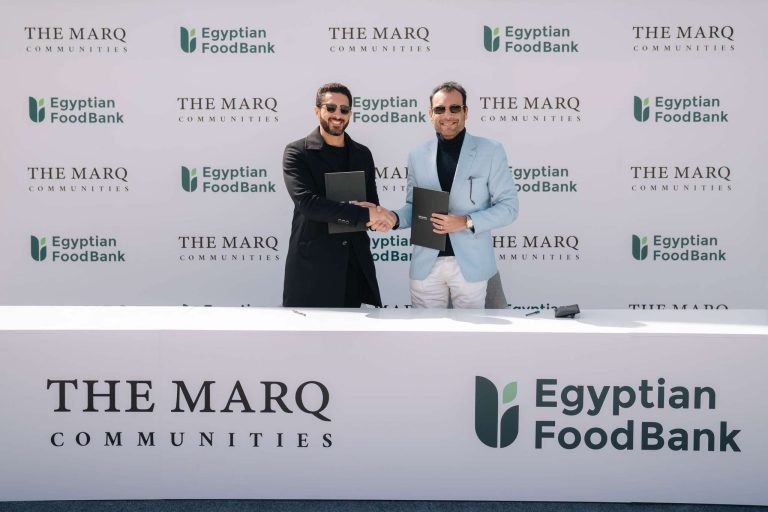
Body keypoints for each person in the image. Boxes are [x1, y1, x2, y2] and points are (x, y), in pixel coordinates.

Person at [384, 81, 519, 308]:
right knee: (426, 329)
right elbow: (414, 206)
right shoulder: (417, 155)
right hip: (426, 264)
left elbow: (509, 208)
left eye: (454, 108)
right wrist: (394, 218)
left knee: (471, 330)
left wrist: (466, 222)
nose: (447, 115)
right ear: (431, 114)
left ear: (466, 112)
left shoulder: (491, 151)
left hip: (470, 264)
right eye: (440, 109)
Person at [282, 82, 394, 307]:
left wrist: (378, 219)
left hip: (353, 265)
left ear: (350, 114)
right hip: (313, 267)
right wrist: (366, 215)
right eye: (331, 108)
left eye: (344, 110)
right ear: (317, 111)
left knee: (355, 330)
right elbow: (308, 204)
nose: (338, 115)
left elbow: (371, 204)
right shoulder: (297, 152)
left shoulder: (362, 154)